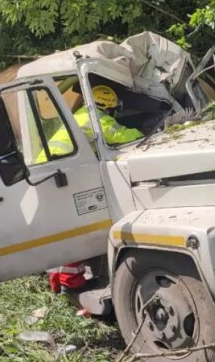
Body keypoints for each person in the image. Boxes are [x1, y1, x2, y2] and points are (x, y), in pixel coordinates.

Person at [45, 85, 143, 293]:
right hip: (62, 176)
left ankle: (57, 283)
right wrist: (152, 132)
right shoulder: (98, 118)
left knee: (61, 233)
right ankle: (72, 284)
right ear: (109, 106)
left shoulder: (79, 115)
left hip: (49, 175)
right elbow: (124, 136)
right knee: (77, 232)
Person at [37, 84, 143, 164]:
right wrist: (145, 133)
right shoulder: (97, 118)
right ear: (108, 107)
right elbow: (120, 135)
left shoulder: (83, 113)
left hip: (49, 160)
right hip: (57, 161)